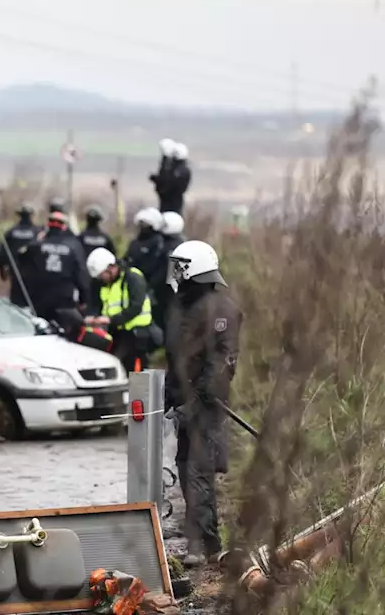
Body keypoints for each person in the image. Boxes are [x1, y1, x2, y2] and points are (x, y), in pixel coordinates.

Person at [165, 240, 241, 567]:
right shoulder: (184, 305)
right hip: (186, 400)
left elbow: (223, 360)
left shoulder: (221, 308)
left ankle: (204, 545)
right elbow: (179, 358)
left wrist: (197, 402)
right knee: (186, 466)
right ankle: (205, 541)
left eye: (181, 267)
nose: (176, 273)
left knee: (198, 469)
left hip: (207, 403)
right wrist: (171, 397)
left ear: (195, 269)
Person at [85, 249, 155, 372]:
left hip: (137, 333)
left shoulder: (133, 277)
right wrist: (93, 316)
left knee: (139, 375)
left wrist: (109, 320)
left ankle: (143, 391)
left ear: (111, 268)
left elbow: (136, 306)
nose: (101, 279)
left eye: (102, 275)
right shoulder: (103, 283)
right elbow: (95, 303)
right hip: (117, 332)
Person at [19, 210, 88, 325]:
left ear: (48, 225)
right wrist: (84, 299)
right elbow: (81, 274)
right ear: (64, 227)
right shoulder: (73, 247)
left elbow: (21, 260)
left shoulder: (36, 246)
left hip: (39, 299)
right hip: (64, 301)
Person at [0, 204, 40, 308]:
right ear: (31, 215)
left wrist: (2, 271)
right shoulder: (38, 232)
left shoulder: (12, 232)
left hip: (16, 271)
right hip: (34, 272)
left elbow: (2, 253)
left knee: (16, 304)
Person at [153, 212, 186, 332]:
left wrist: (152, 285)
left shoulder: (172, 247)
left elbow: (170, 274)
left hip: (169, 293)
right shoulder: (178, 243)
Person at [125, 208, 166, 288]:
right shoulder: (135, 242)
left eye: (145, 224)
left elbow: (155, 266)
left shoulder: (158, 242)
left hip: (148, 284)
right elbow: (127, 258)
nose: (142, 227)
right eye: (141, 224)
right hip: (131, 281)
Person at [152, 142, 192, 214]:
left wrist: (158, 180)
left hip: (171, 202)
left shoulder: (177, 170)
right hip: (172, 201)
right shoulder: (181, 169)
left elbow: (167, 182)